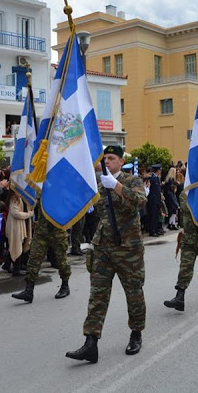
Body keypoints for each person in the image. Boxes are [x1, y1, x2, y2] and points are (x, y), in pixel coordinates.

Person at [66, 145, 147, 363]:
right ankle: (90, 343)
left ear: (121, 161)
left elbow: (140, 202)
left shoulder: (132, 181)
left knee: (134, 293)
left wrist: (118, 186)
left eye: (112, 158)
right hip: (103, 247)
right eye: (105, 158)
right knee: (97, 296)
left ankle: (136, 333)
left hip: (128, 249)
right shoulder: (98, 183)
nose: (107, 162)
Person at [11, 198, 71, 303]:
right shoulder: (42, 188)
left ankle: (65, 286)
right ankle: (28, 291)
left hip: (58, 230)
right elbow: (34, 201)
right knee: (33, 260)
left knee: (61, 261)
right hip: (42, 231)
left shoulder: (61, 189)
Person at [5, 192, 34, 276]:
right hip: (16, 226)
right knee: (16, 246)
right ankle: (16, 270)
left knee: (19, 245)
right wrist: (28, 214)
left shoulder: (23, 198)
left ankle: (8, 265)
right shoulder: (14, 198)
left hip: (23, 225)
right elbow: (15, 213)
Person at [147, 164, 163, 236]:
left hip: (157, 199)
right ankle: (152, 230)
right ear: (158, 170)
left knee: (156, 215)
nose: (160, 171)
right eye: (160, 170)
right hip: (152, 200)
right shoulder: (152, 178)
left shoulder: (156, 178)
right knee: (152, 215)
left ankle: (156, 229)